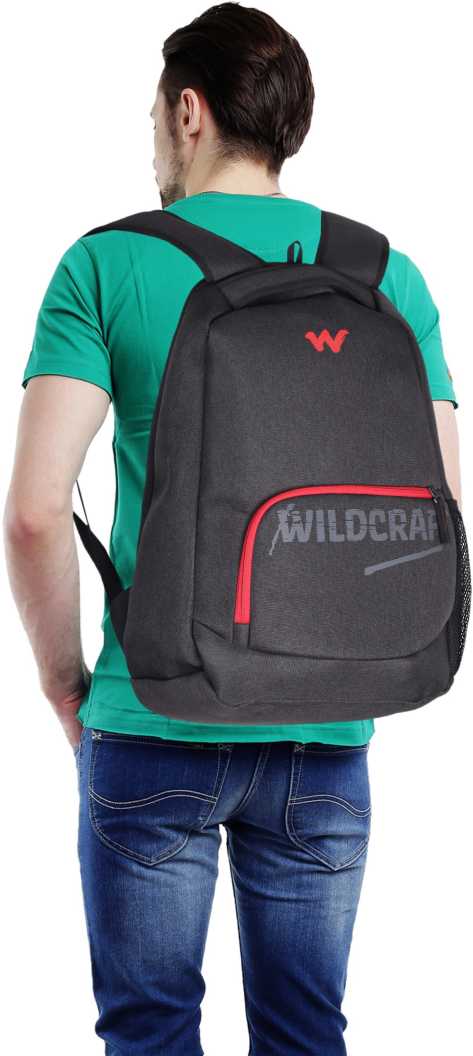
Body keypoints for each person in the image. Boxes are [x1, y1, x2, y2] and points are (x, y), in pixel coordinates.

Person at [3, 4, 461, 1054]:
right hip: (328, 730)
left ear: (189, 110)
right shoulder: (386, 275)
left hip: (151, 717)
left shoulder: (108, 264)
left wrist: (66, 685)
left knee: (149, 1033)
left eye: (153, 118)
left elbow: (33, 512)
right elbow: (437, 499)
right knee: (305, 1033)